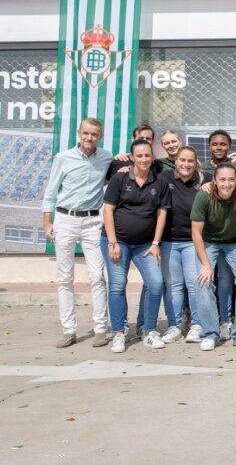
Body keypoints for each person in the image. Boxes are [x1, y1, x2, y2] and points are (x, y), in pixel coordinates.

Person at [42, 118, 113, 348]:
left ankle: (101, 328)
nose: (89, 138)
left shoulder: (106, 158)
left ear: (100, 136)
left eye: (94, 134)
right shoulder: (63, 158)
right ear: (78, 133)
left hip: (93, 221)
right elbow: (51, 192)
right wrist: (47, 222)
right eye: (86, 133)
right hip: (65, 219)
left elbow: (118, 172)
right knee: (64, 278)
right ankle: (69, 330)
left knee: (96, 276)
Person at [101, 139, 167, 353]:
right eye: (139, 156)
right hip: (117, 241)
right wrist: (112, 242)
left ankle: (149, 330)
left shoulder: (159, 181)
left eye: (147, 155)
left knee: (156, 283)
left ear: (152, 157)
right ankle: (119, 332)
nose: (144, 159)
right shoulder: (119, 179)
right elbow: (108, 210)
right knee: (118, 284)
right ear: (132, 157)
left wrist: (156, 243)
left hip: (145, 244)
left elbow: (161, 213)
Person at [190, 163, 236, 351]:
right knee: (203, 280)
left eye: (231, 180)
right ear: (215, 181)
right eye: (222, 180)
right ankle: (210, 333)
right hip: (209, 242)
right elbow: (196, 233)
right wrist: (205, 264)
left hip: (235, 242)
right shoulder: (203, 196)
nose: (227, 184)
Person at [158, 146, 210, 344]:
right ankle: (174, 325)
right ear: (176, 161)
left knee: (194, 283)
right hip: (169, 241)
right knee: (173, 286)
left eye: (190, 161)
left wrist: (209, 185)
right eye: (182, 160)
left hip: (192, 242)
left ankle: (197, 324)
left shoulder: (203, 180)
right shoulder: (164, 179)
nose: (186, 164)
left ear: (195, 162)